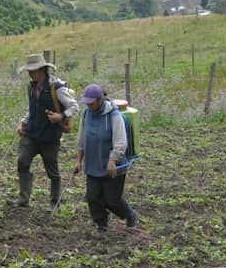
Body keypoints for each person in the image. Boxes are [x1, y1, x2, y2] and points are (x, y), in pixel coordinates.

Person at [13, 53, 78, 208]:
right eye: (29, 70)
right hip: (32, 134)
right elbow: (33, 109)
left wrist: (60, 116)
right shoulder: (32, 87)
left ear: (42, 70)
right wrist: (22, 122)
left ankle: (55, 201)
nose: (30, 73)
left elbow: (74, 106)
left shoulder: (56, 88)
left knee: (52, 170)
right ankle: (23, 199)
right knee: (22, 161)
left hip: (50, 137)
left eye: (33, 70)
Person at [73, 84, 139, 233]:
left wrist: (112, 160)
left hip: (112, 166)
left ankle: (130, 214)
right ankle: (101, 224)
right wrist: (78, 161)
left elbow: (121, 142)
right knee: (92, 197)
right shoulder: (86, 114)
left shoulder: (113, 116)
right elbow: (81, 138)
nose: (89, 105)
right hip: (93, 163)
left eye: (91, 102)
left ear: (100, 100)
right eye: (87, 103)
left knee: (112, 200)